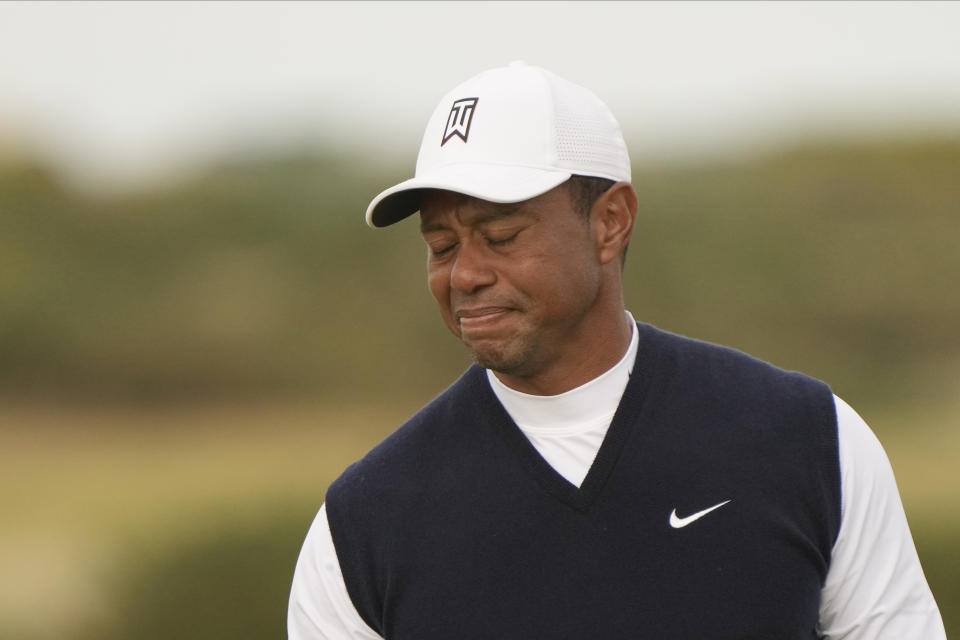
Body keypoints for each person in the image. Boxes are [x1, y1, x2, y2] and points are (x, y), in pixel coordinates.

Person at [288, 62, 945, 639]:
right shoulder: (362, 522)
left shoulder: (806, 438)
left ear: (609, 221)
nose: (464, 274)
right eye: (442, 245)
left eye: (501, 234)